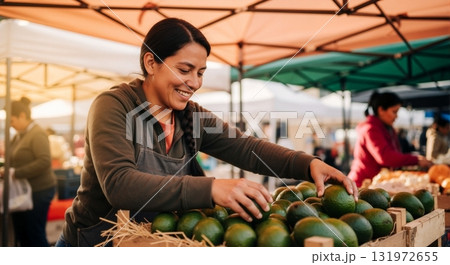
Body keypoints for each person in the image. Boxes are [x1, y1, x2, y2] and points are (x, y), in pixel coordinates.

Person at [55, 18, 357, 247]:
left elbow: (247, 148)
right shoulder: (113, 106)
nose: (194, 82)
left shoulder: (192, 115)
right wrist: (211, 188)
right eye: (184, 70)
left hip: (152, 244)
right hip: (94, 245)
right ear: (151, 63)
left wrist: (307, 164)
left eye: (200, 73)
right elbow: (119, 185)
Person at [0, 97, 56, 246]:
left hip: (39, 191)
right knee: (22, 233)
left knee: (34, 234)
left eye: (12, 121)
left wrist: (15, 172)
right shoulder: (19, 136)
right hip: (23, 192)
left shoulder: (38, 134)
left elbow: (44, 162)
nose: (11, 125)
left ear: (22, 116)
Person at [348, 92, 433, 187]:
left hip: (377, 184)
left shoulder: (388, 128)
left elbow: (395, 154)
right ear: (381, 110)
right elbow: (385, 157)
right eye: (394, 112)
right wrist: (415, 160)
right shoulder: (370, 129)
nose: (396, 116)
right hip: (362, 184)